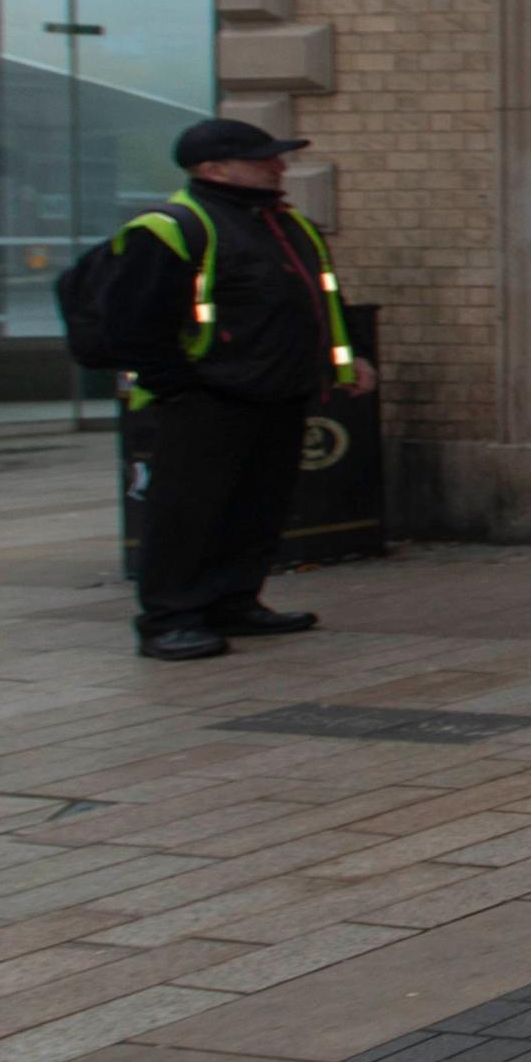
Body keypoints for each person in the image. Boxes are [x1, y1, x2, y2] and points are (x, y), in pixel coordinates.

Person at [92, 117, 359, 662]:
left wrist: (346, 363)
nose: (278, 165)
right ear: (212, 168)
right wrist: (181, 388)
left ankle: (234, 600)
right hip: (206, 400)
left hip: (279, 392)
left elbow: (318, 301)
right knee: (187, 514)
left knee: (257, 508)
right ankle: (169, 619)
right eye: (263, 159)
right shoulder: (171, 227)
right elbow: (136, 324)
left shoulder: (285, 224)